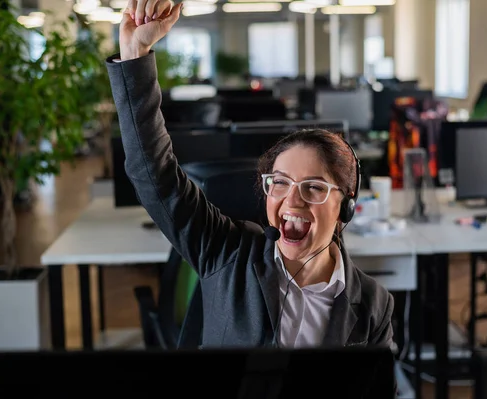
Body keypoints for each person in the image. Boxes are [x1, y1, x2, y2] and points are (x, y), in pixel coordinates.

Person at [105, 0, 396, 350]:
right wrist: (136, 53)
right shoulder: (226, 252)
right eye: (281, 183)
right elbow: (153, 173)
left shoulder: (373, 305)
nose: (292, 200)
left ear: (346, 207)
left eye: (314, 187)